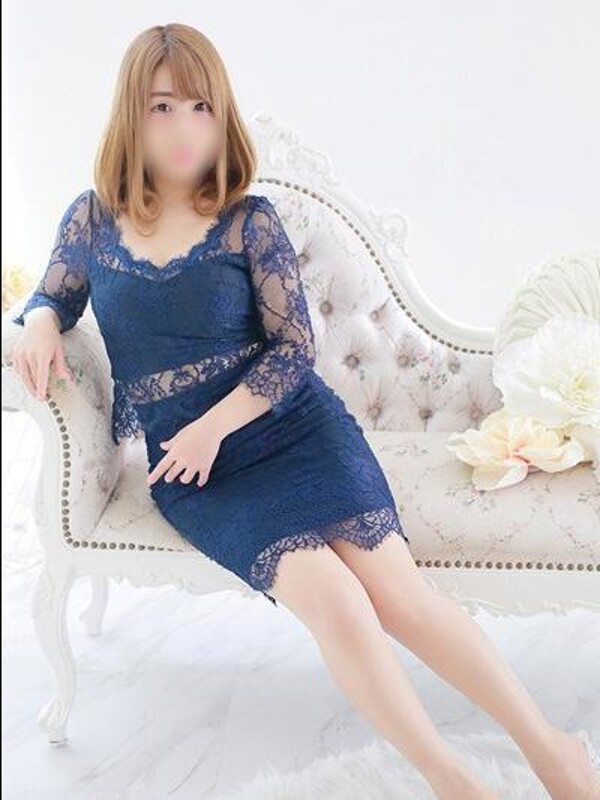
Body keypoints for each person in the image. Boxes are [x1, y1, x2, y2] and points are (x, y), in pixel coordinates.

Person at [9, 23, 599, 800]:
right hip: (198, 474)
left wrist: (212, 425)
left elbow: (293, 349)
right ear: (131, 114)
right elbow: (52, 293)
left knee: (399, 597)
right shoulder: (92, 220)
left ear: (221, 114)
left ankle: (553, 752)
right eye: (162, 107)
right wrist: (39, 319)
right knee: (337, 604)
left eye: (200, 106)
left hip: (293, 432)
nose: (184, 127)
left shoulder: (248, 221)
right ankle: (454, 781)